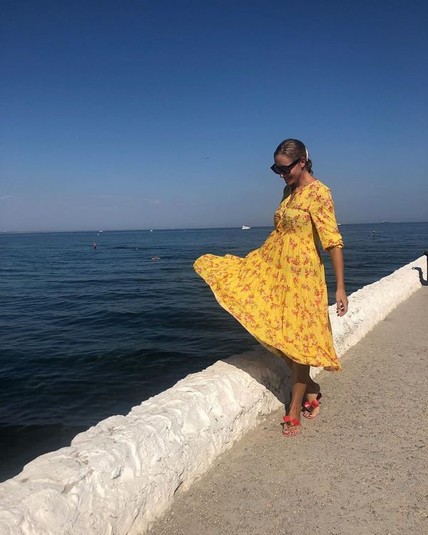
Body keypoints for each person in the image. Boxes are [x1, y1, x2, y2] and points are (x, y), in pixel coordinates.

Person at [194, 138, 348, 436]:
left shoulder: (320, 193)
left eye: (285, 168)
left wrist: (340, 287)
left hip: (303, 276)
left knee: (299, 338)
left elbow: (332, 241)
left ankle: (294, 407)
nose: (281, 174)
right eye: (276, 169)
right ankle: (311, 387)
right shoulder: (288, 191)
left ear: (302, 162)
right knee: (277, 330)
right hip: (276, 269)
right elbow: (281, 232)